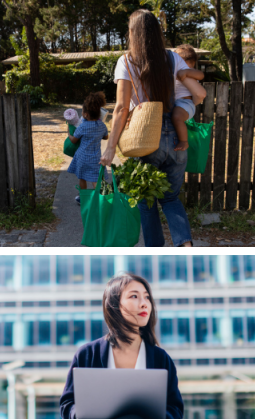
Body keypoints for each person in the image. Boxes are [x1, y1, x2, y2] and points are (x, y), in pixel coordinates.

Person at [54, 273, 203, 419]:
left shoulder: (160, 358)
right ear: (114, 304)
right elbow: (67, 407)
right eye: (134, 296)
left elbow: (175, 410)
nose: (144, 303)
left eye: (146, 297)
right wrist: (85, 411)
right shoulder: (88, 353)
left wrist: (157, 415)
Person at [101, 9, 205, 247]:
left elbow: (120, 109)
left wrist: (109, 148)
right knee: (170, 199)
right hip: (177, 137)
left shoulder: (126, 61)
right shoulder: (172, 57)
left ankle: (155, 255)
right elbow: (193, 90)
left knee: (147, 202)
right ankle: (186, 247)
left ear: (132, 33)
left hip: (147, 138)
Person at [67, 92, 109, 206]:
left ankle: (83, 198)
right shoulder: (102, 126)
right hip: (96, 158)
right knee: (95, 179)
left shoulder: (83, 126)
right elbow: (106, 137)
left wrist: (68, 133)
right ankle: (100, 199)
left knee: (82, 178)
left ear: (85, 114)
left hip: (82, 157)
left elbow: (74, 140)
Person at [171, 44, 206, 151]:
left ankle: (184, 141)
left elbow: (201, 75)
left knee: (176, 117)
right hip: (176, 103)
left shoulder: (190, 72)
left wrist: (186, 72)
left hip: (184, 103)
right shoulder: (174, 71)